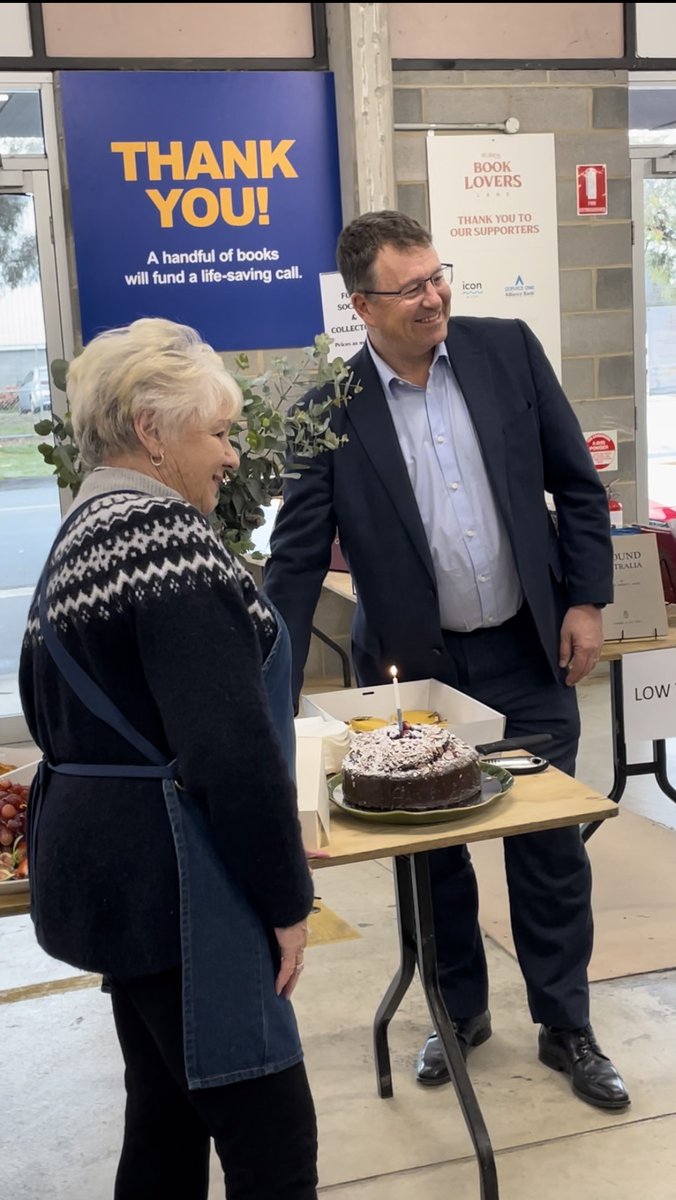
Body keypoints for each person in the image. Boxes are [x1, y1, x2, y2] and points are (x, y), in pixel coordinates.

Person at [264, 210, 630, 1111]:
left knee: (550, 849)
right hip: (414, 680)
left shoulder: (506, 351)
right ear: (363, 306)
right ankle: (456, 1009)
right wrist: (261, 693)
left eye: (438, 277)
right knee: (433, 860)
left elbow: (577, 487)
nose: (435, 298)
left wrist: (584, 600)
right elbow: (298, 563)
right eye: (411, 288)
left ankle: (566, 1024)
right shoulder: (331, 412)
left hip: (525, 648)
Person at [19, 317, 320, 1199]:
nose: (230, 458)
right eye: (218, 432)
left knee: (164, 1123)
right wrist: (286, 898)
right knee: (272, 1142)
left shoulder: (85, 525)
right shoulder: (161, 540)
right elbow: (229, 750)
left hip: (113, 872)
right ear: (152, 430)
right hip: (182, 885)